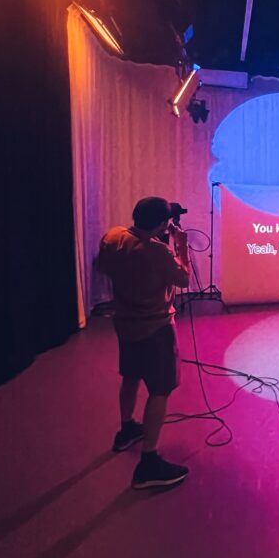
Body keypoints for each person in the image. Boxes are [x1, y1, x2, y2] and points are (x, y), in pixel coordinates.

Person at [98, 197, 191, 489]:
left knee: (131, 375)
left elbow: (104, 264)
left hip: (125, 323)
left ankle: (126, 430)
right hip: (156, 328)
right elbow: (184, 279)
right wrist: (182, 246)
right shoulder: (158, 252)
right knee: (160, 390)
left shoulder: (113, 237)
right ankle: (148, 463)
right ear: (164, 224)